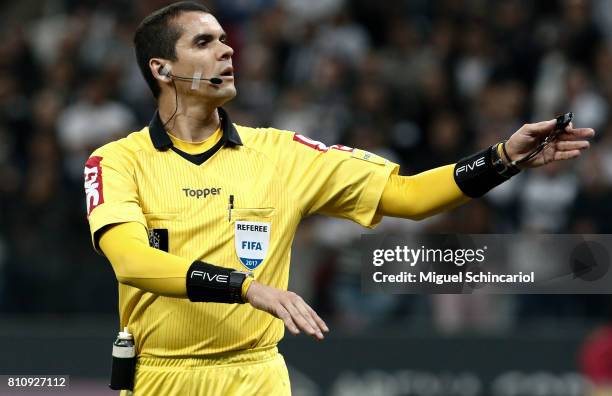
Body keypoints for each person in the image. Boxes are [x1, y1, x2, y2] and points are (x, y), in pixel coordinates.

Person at [83, 2, 594, 395]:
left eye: (224, 38)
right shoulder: (116, 162)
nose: (227, 49)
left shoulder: (283, 153)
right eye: (204, 42)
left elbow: (408, 195)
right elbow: (131, 261)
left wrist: (502, 157)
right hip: (158, 376)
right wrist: (247, 288)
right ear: (162, 69)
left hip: (254, 376)